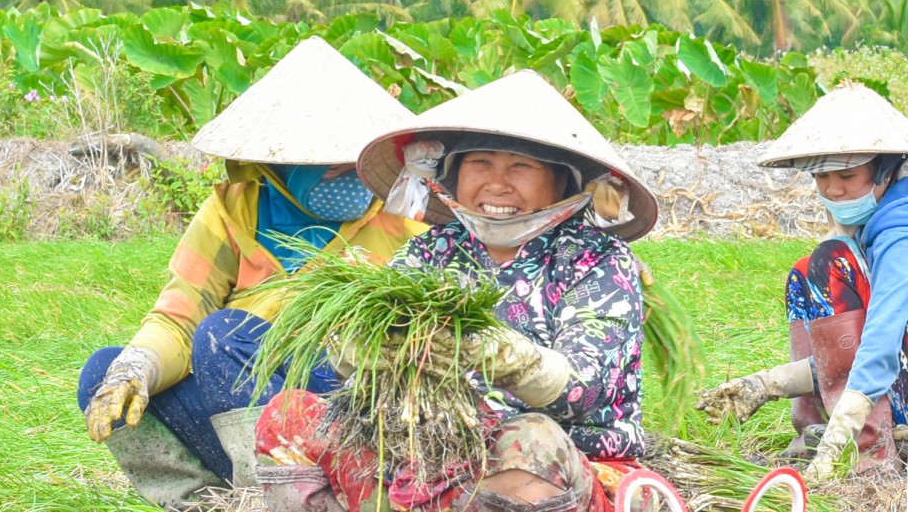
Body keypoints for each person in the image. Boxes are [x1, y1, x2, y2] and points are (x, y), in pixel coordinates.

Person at [251, 70, 661, 512]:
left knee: (529, 440)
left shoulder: (596, 260)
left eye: (521, 166)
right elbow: (360, 346)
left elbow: (585, 391)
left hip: (557, 461)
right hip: (430, 451)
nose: (497, 184)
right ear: (452, 175)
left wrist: (507, 356)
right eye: (480, 162)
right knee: (289, 415)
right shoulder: (433, 250)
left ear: (564, 182)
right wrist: (362, 347)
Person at [76, 37, 428, 510]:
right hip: (241, 406)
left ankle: (283, 499)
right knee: (105, 373)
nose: (349, 176)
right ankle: (210, 501)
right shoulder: (230, 212)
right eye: (330, 165)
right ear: (277, 163)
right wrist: (138, 367)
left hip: (350, 406)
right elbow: (180, 317)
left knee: (225, 335)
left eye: (356, 163)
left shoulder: (403, 218)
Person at [695, 82, 908, 479]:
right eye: (822, 176)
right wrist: (770, 383)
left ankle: (870, 461)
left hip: (896, 375)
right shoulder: (875, 217)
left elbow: (882, 343)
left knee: (830, 263)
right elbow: (847, 349)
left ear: (884, 168)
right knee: (803, 270)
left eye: (847, 174)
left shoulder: (900, 229)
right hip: (896, 373)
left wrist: (842, 437)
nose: (832, 188)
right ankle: (813, 430)